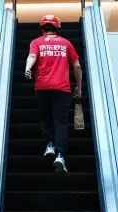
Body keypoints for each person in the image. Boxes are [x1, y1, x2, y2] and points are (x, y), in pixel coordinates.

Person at [24, 15, 82, 173]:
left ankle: (50, 144)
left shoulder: (36, 42)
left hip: (42, 87)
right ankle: (60, 155)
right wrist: (79, 87)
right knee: (60, 122)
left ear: (42, 28)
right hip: (62, 88)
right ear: (58, 28)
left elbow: (32, 56)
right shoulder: (66, 43)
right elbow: (77, 66)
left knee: (46, 117)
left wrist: (28, 68)